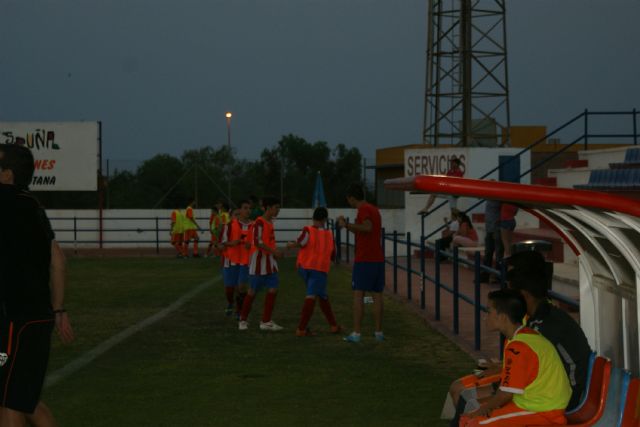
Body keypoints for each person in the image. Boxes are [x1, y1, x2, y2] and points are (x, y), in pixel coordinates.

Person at [0, 144, 75, 427]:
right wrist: (58, 309)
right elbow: (57, 259)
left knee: (7, 401)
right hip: (38, 317)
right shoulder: (33, 206)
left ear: (7, 175)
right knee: (25, 399)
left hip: (13, 319)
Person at [459, 289, 571, 427]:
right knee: (468, 418)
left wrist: (481, 410)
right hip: (533, 404)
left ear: (503, 317)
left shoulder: (518, 346)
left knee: (471, 423)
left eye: (488, 311)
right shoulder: (522, 336)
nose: (485, 317)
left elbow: (505, 394)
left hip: (543, 411)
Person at [506, 250, 591, 411]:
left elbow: (533, 370)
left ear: (523, 294)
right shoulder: (538, 316)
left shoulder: (543, 324)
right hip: (555, 389)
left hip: (565, 395)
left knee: (486, 407)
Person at [337, 182, 385, 343]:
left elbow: (367, 228)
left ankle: (357, 333)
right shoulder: (374, 209)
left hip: (365, 259)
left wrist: (346, 224)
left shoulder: (364, 209)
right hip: (377, 258)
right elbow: (365, 229)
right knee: (377, 295)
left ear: (351, 198)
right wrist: (348, 227)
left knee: (358, 294)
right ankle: (378, 332)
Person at [287, 207, 340, 337]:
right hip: (319, 269)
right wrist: (332, 260)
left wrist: (291, 245)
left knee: (322, 295)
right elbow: (334, 253)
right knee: (312, 296)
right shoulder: (328, 234)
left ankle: (333, 325)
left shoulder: (307, 230)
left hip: (304, 267)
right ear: (325, 219)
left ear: (313, 218)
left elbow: (301, 242)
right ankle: (301, 329)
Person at [238, 196, 284, 331]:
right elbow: (258, 243)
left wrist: (275, 253)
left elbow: (267, 242)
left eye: (278, 208)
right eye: (276, 208)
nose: (278, 211)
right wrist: (274, 252)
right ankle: (243, 320)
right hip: (259, 261)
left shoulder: (269, 222)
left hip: (269, 261)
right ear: (268, 208)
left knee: (273, 289)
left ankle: (266, 321)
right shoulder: (259, 222)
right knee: (252, 291)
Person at [220, 200, 252, 317]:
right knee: (230, 288)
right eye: (245, 208)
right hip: (230, 261)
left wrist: (251, 245)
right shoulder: (228, 226)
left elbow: (257, 243)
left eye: (249, 208)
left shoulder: (253, 226)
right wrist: (230, 244)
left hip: (245, 261)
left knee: (241, 286)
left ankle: (240, 311)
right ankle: (230, 303)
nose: (248, 210)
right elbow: (221, 244)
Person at [480, 200, 502, 283]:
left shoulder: (499, 199)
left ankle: (498, 276)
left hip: (496, 229)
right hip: (489, 229)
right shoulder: (490, 200)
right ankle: (485, 275)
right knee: (488, 253)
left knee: (498, 253)